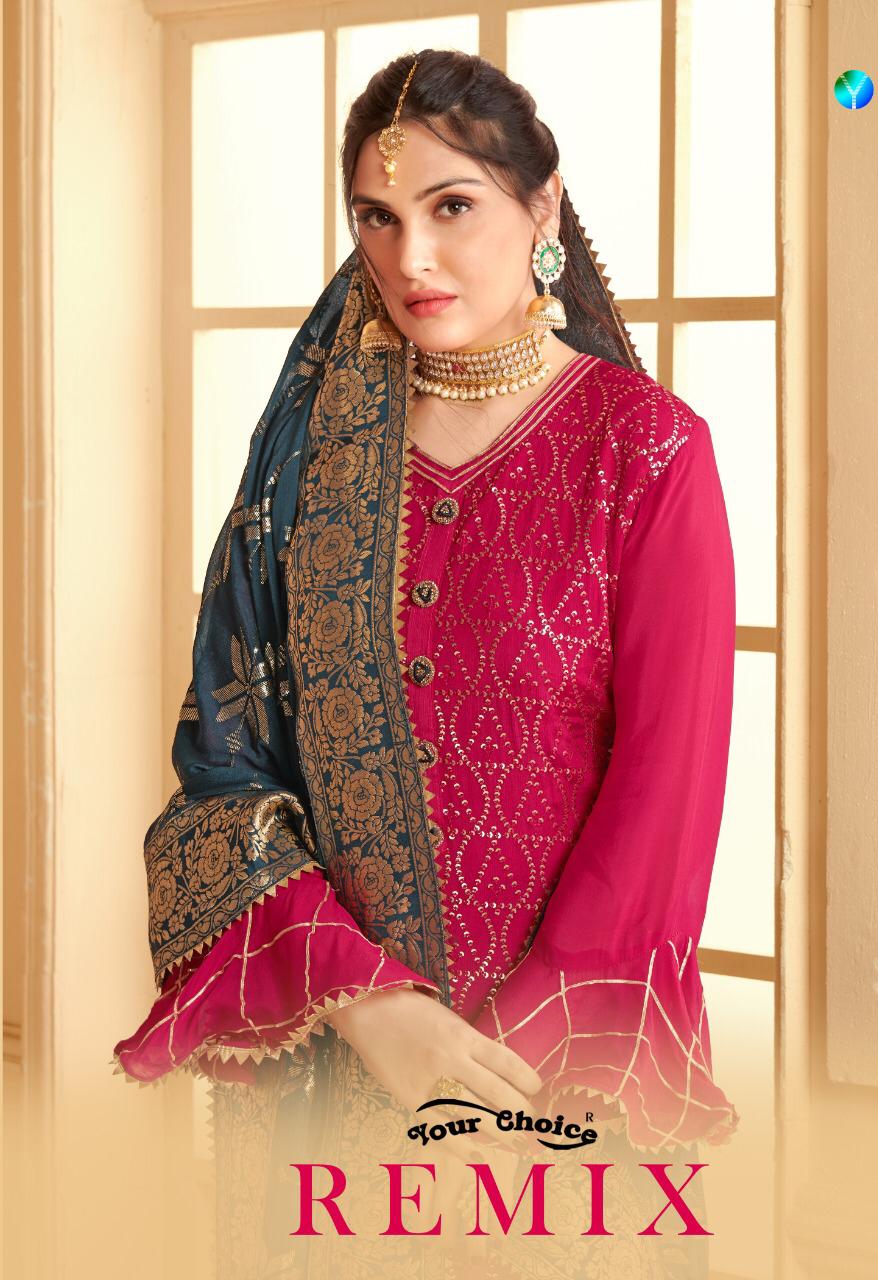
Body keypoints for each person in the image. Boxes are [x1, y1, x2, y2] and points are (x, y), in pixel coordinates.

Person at [111, 48, 740, 1280]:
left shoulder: (646, 454)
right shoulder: (313, 465)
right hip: (343, 1071)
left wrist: (505, 1075)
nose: (411, 258)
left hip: (566, 1093)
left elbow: (667, 799)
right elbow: (226, 783)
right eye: (378, 217)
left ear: (542, 209)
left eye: (453, 206)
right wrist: (373, 1008)